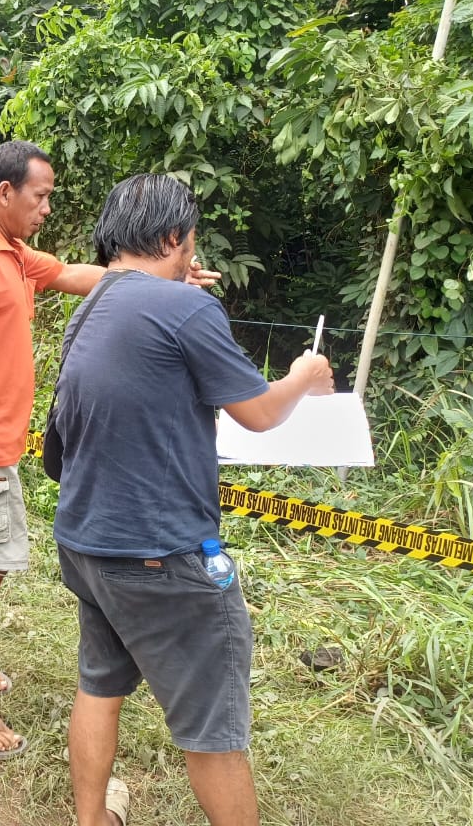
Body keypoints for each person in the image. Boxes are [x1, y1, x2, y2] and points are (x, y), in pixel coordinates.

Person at [0, 141, 221, 761]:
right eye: (41, 195)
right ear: (5, 193)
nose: (47, 207)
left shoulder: (8, 250)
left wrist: (156, 275)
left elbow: (72, 276)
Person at [50, 173, 333, 826]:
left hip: (87, 541)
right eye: (190, 243)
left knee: (100, 682)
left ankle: (91, 819)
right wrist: (302, 376)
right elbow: (259, 413)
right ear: (175, 237)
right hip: (160, 555)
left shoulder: (91, 307)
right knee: (213, 727)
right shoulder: (186, 309)